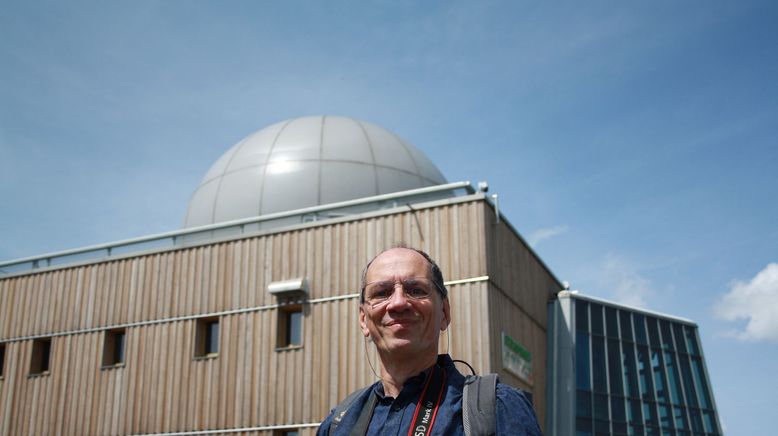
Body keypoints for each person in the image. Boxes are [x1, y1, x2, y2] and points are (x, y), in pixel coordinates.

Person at [317, 246, 542, 435]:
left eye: (416, 290)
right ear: (364, 319)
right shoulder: (338, 424)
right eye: (382, 293)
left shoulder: (497, 409)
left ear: (444, 313)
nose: (398, 303)